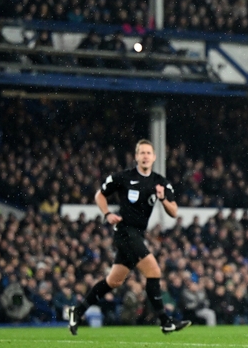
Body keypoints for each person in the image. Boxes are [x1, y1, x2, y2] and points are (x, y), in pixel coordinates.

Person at [68, 139, 191, 335]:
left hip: (138, 235)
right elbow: (100, 195)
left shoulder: (160, 182)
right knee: (154, 271)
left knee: (114, 281)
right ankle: (165, 321)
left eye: (148, 153)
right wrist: (107, 214)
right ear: (136, 157)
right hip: (125, 231)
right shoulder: (123, 177)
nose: (145, 156)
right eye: (141, 153)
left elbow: (174, 211)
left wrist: (162, 199)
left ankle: (78, 311)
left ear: (154, 157)